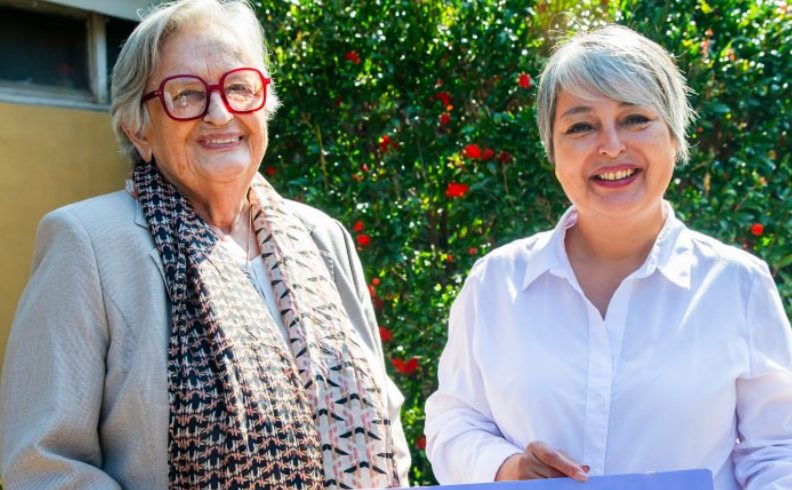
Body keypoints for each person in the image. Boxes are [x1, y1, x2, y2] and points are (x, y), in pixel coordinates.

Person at [0, 0, 410, 487]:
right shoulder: (87, 244)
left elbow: (384, 422)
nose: (220, 113)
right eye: (187, 94)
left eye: (239, 87)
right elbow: (42, 466)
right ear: (138, 128)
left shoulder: (322, 238)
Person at [424, 25, 792, 489]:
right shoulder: (496, 282)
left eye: (635, 118)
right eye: (581, 126)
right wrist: (507, 467)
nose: (612, 145)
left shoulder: (738, 286)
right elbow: (454, 420)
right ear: (552, 150)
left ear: (674, 137)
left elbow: (779, 449)